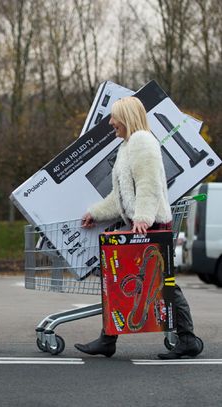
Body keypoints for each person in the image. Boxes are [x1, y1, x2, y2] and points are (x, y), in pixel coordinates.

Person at [74, 96, 203, 360]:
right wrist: (95, 214)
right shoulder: (127, 146)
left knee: (164, 285)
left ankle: (189, 340)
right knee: (119, 280)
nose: (111, 122)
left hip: (151, 225)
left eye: (114, 117)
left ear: (127, 117)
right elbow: (120, 195)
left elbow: (149, 184)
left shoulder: (143, 142)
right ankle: (107, 339)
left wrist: (142, 217)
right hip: (142, 225)